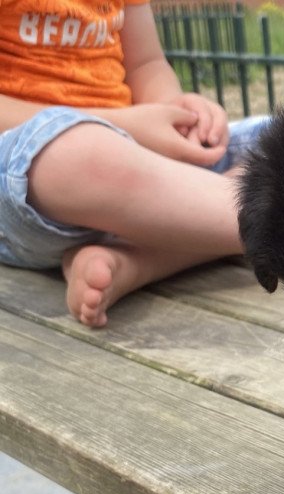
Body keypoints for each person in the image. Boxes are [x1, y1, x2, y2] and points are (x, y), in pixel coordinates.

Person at [0, 0, 268, 327]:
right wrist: (128, 125)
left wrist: (176, 111)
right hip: (31, 185)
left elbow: (146, 65)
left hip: (143, 171)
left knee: (278, 137)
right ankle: (282, 216)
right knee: (74, 150)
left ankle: (139, 261)